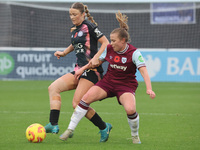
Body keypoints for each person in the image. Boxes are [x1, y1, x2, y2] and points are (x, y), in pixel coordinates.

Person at [59, 11, 156, 144]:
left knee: (130, 109)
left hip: (126, 86)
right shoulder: (109, 48)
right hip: (108, 83)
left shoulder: (134, 53)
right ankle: (70, 130)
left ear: (123, 41)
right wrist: (82, 69)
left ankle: (135, 136)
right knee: (85, 99)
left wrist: (149, 89)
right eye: (111, 40)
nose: (111, 43)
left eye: (114, 41)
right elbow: (96, 61)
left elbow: (144, 72)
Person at [45, 2, 112, 142]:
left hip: (92, 71)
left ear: (83, 14)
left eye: (75, 14)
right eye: (70, 14)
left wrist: (95, 58)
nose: (72, 17)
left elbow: (106, 43)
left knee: (77, 104)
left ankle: (103, 127)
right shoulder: (74, 29)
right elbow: (75, 44)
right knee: (53, 88)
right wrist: (64, 53)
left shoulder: (90, 26)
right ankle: (53, 123)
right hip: (78, 70)